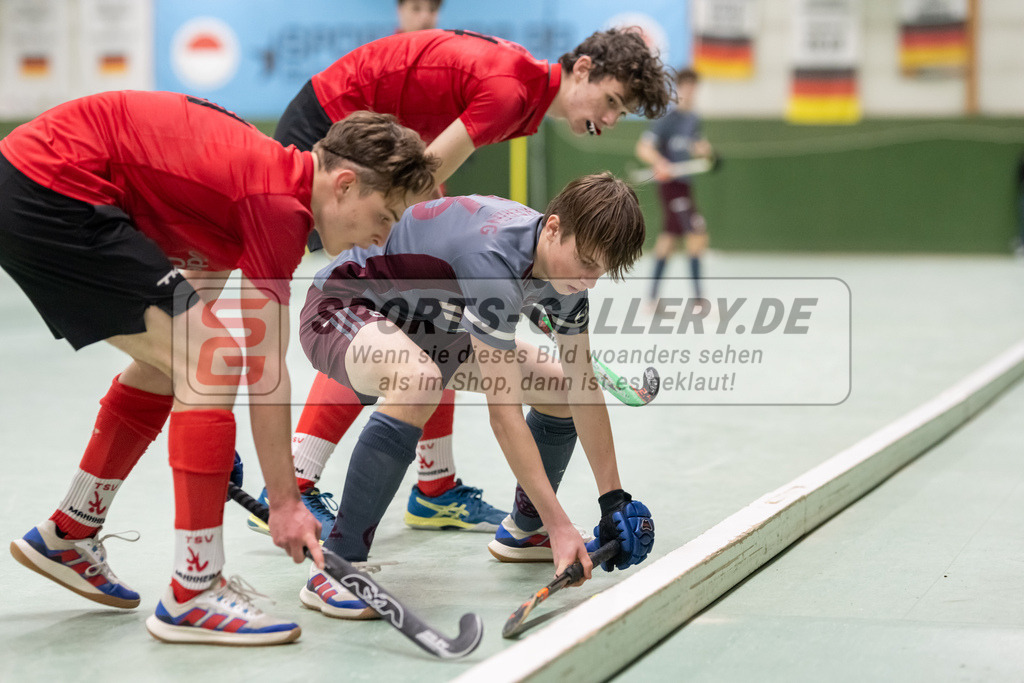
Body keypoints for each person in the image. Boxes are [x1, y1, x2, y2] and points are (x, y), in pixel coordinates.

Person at [0, 93, 437, 645]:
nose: (381, 239)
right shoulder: (279, 205)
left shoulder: (256, 188)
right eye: (384, 218)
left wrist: (203, 429)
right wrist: (285, 503)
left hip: (41, 181)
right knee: (212, 358)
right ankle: (195, 590)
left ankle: (69, 531)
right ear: (345, 184)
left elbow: (191, 333)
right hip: (54, 186)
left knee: (177, 361)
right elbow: (262, 368)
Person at [255, 26, 672, 542]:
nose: (609, 121)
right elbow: (417, 191)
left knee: (461, 339)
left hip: (394, 175)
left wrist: (613, 498)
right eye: (610, 102)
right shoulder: (511, 94)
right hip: (337, 131)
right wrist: (493, 279)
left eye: (620, 113)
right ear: (582, 69)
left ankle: (443, 488)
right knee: (277, 272)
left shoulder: (525, 95)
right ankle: (294, 480)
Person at [295, 173, 656, 618]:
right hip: (344, 305)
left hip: (432, 329)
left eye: (600, 271)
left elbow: (585, 386)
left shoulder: (569, 278)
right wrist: (563, 522)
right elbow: (503, 416)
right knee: (419, 380)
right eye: (584, 262)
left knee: (559, 385)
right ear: (554, 227)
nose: (589, 282)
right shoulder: (492, 261)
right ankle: (336, 566)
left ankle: (527, 530)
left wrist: (613, 499)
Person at [635, 67, 714, 305]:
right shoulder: (667, 120)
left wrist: (705, 151)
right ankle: (699, 301)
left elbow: (695, 146)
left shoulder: (694, 120)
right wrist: (660, 162)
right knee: (696, 233)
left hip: (686, 184)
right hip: (671, 186)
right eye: (685, 87)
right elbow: (643, 148)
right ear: (678, 89)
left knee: (669, 239)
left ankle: (651, 299)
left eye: (693, 87)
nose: (689, 92)